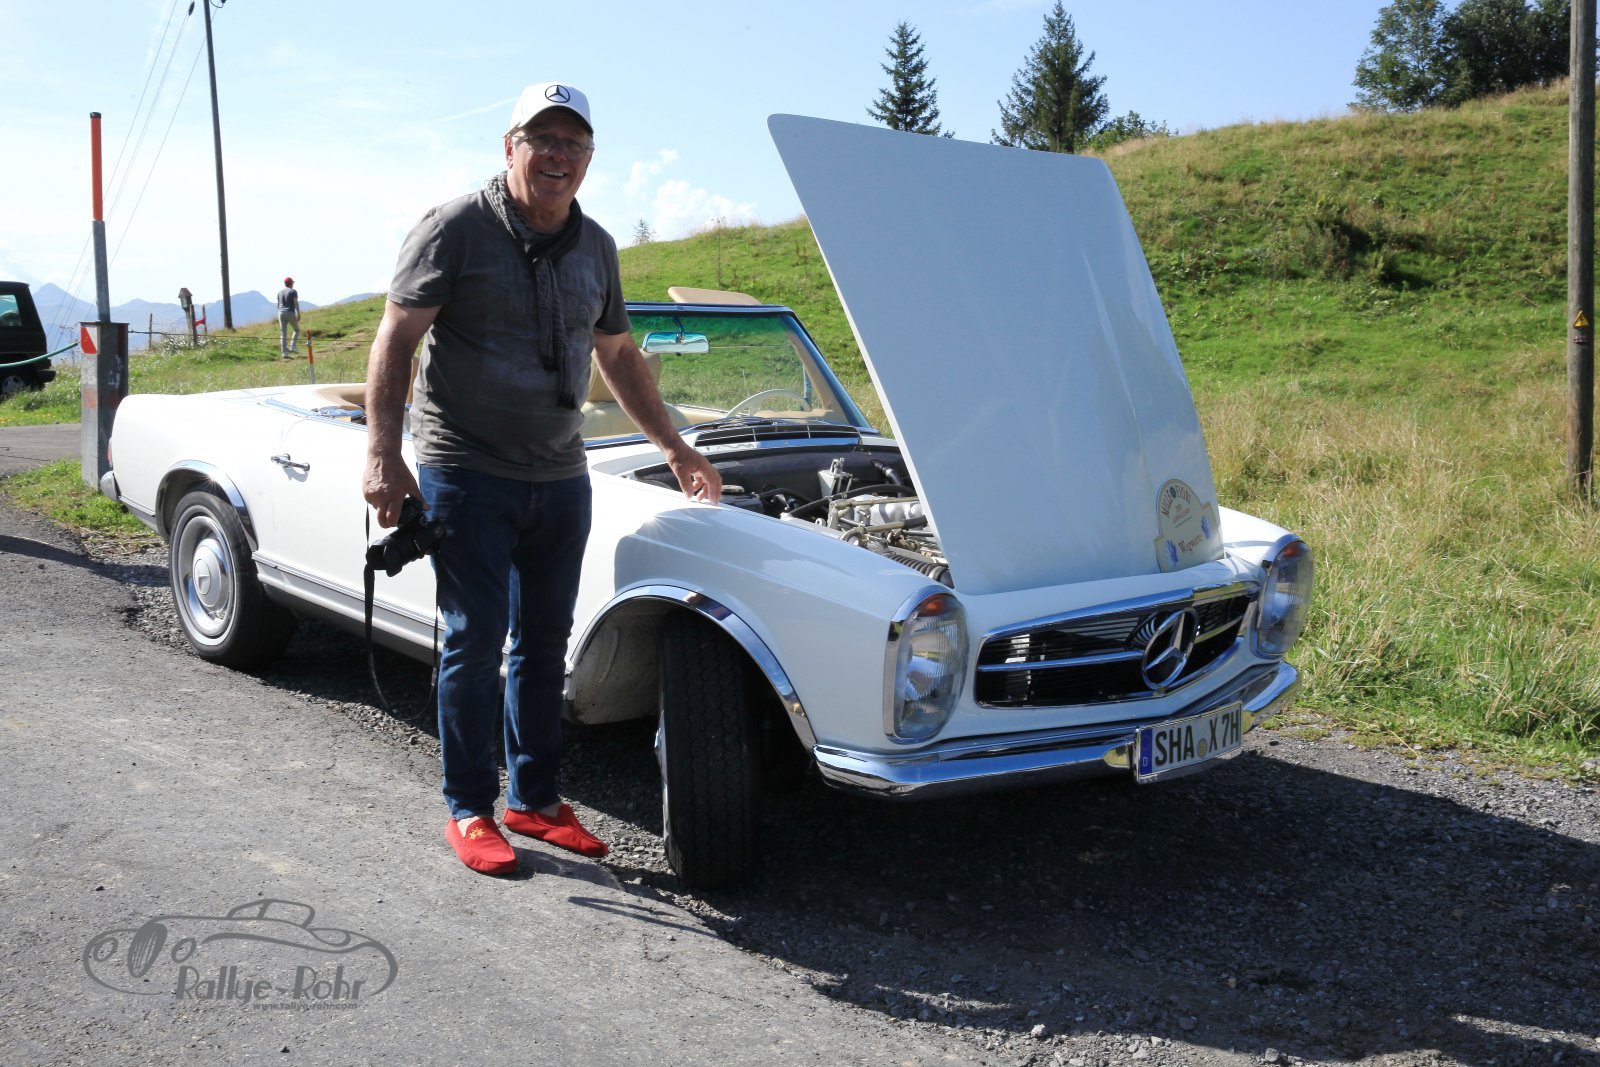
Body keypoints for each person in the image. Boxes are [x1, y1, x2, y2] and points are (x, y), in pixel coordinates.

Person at [361, 82, 722, 877]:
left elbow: (617, 353)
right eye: (542, 139)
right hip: (467, 470)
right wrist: (383, 453)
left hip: (560, 474)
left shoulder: (596, 245)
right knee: (475, 636)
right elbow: (396, 338)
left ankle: (535, 799)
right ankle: (469, 807)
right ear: (510, 146)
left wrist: (675, 447)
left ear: (588, 158)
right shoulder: (455, 227)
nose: (558, 155)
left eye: (573, 144)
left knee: (544, 640)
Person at [276, 277, 300, 358]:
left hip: (280, 313)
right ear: (291, 283)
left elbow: (278, 305)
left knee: (283, 334)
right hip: (290, 312)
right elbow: (295, 303)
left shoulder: (279, 292)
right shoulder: (293, 291)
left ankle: (284, 353)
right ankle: (292, 346)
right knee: (296, 329)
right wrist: (298, 313)